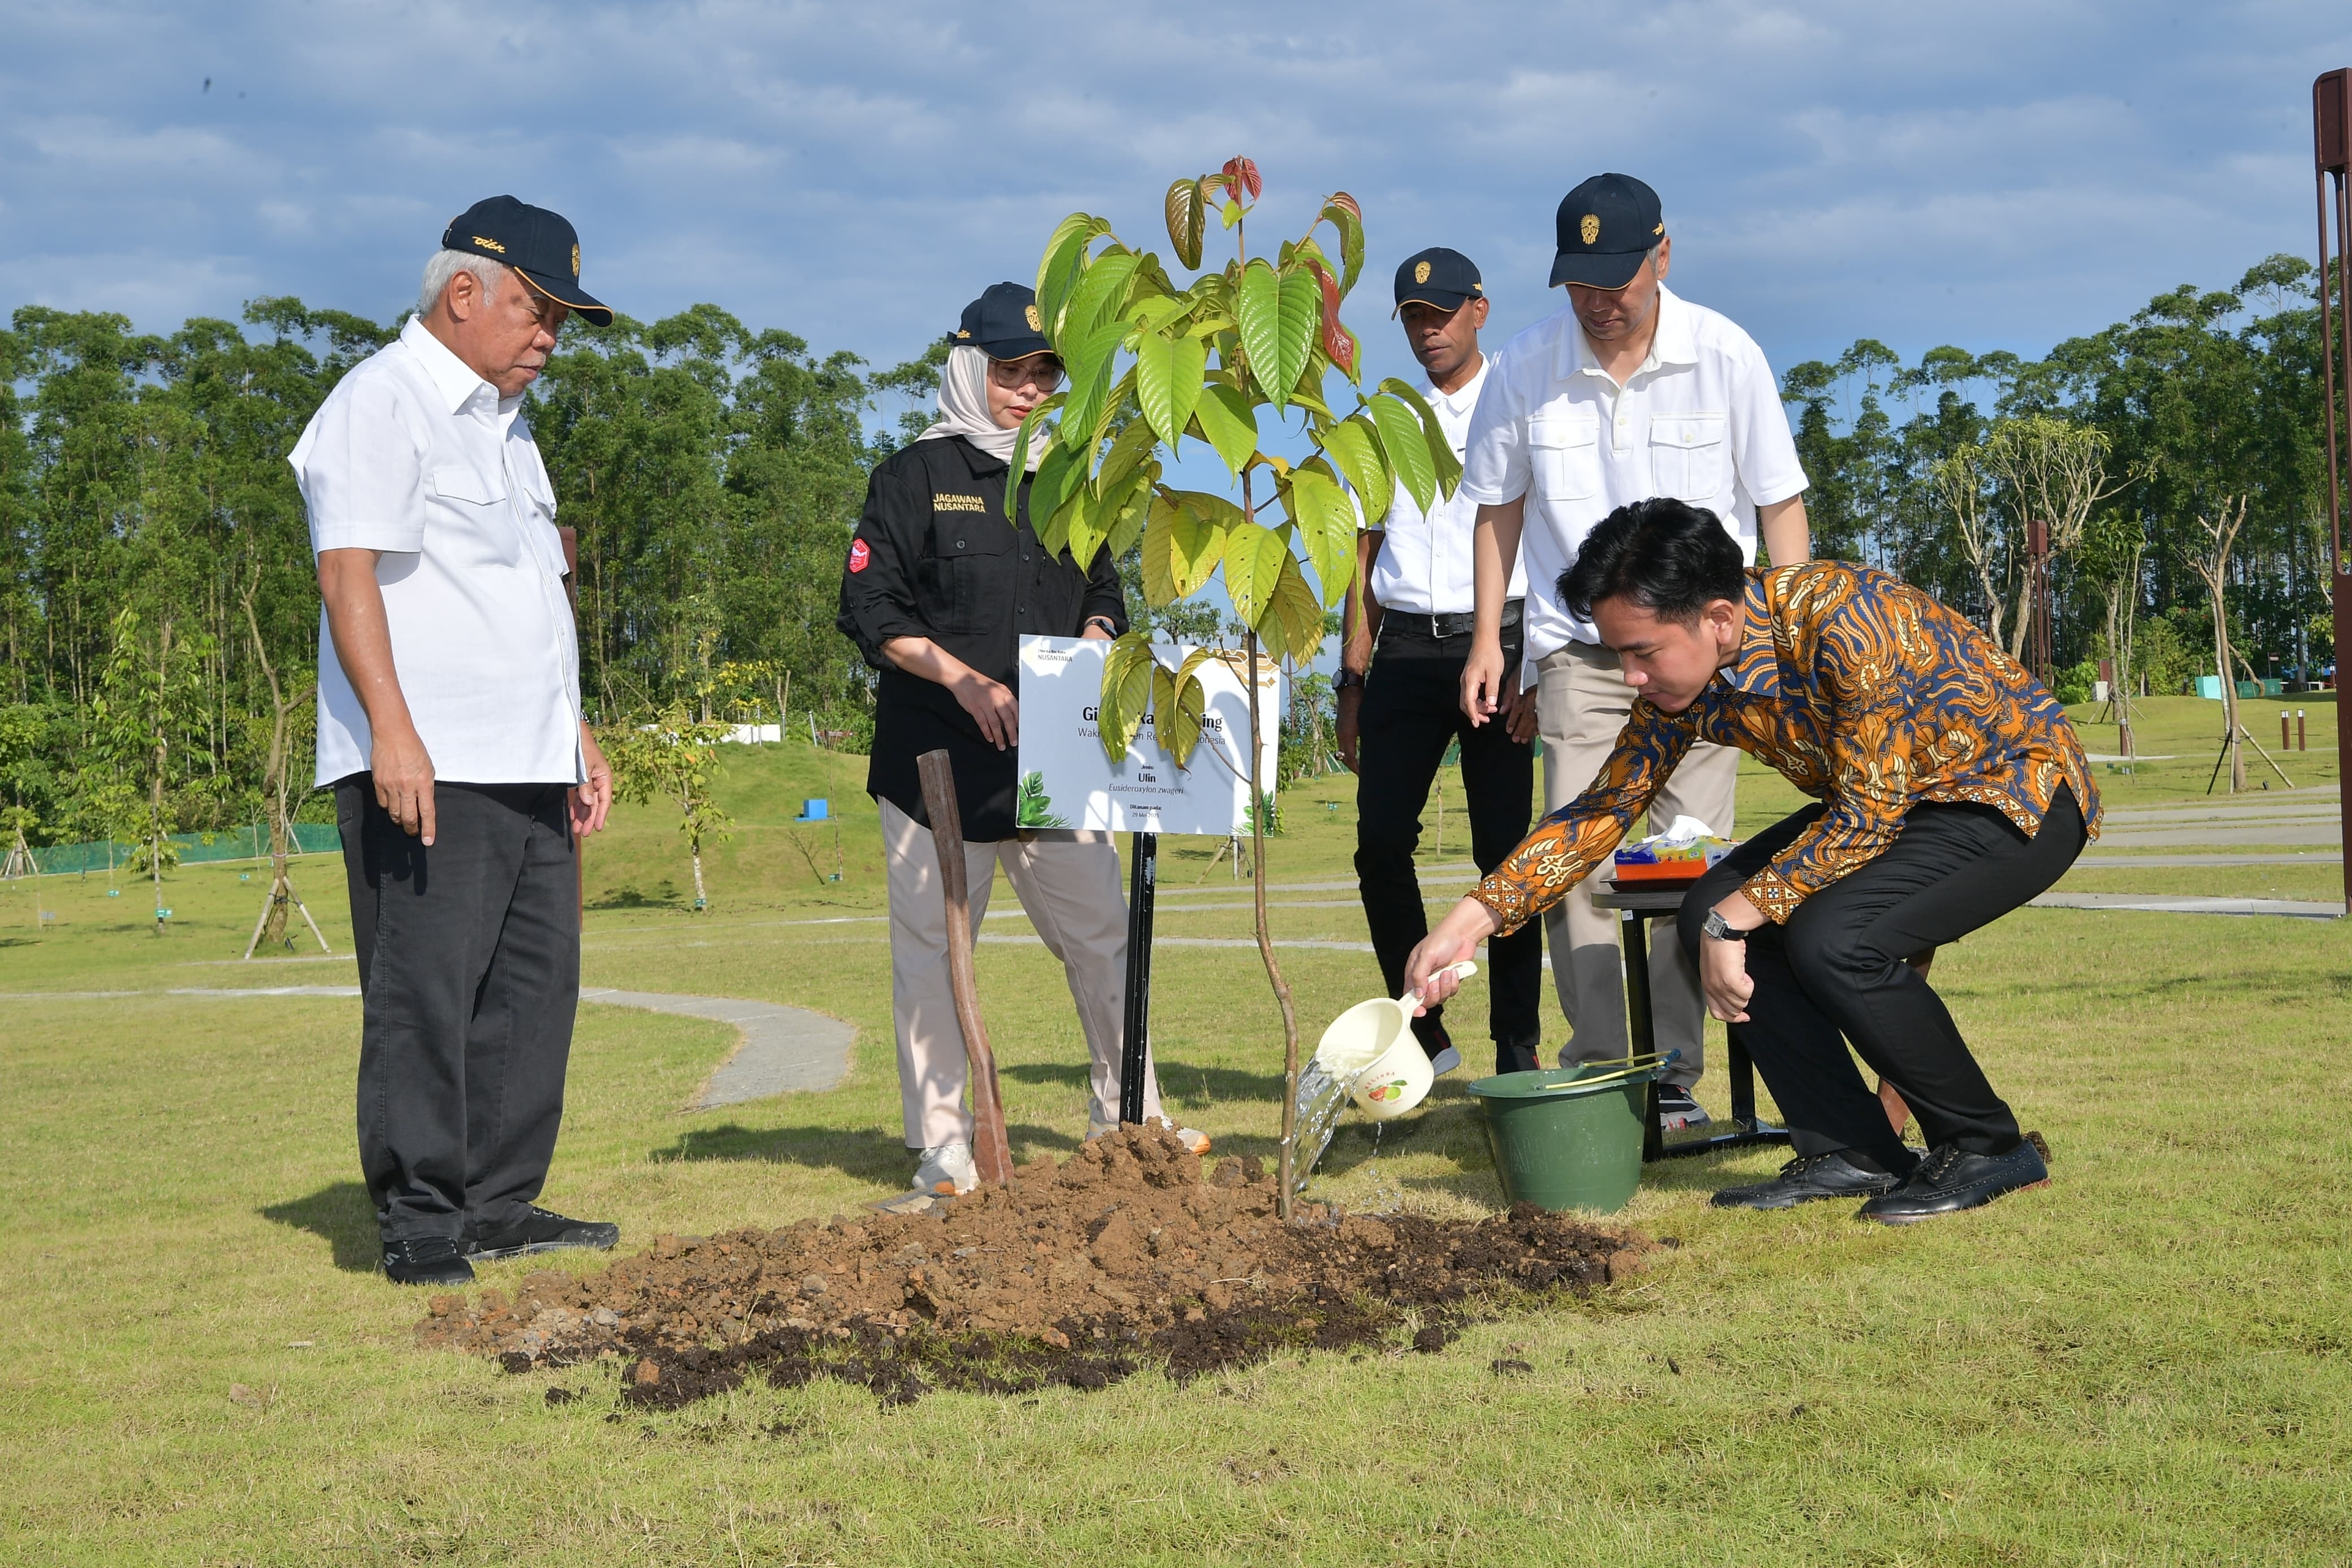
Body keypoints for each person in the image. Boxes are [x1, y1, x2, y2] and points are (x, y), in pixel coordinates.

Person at [1408, 499, 2099, 1222]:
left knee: (1833, 938)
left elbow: (1867, 817)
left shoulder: (1846, 619)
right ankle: (1852, 1149)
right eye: (1619, 655)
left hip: (2014, 794)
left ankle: (1988, 1144)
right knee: (1713, 904)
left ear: (1718, 617)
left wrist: (1731, 926)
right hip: (1896, 804)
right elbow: (1602, 810)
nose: (1631, 676)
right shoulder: (1687, 689)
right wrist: (1470, 919)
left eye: (1643, 651)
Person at [293, 196, 619, 1287]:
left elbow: (532, 594)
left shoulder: (510, 434)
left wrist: (574, 732)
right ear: (464, 293)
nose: (548, 339)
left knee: (531, 994)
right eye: (537, 310)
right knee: (425, 993)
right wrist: (392, 732)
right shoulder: (381, 402)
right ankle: (422, 1217)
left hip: (528, 759)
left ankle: (498, 1203)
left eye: (561, 321)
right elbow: (349, 575)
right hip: (429, 761)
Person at [1454, 172, 1814, 1133]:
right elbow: (1499, 512)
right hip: (1580, 659)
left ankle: (1674, 1076)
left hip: (1705, 659)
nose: (1598, 301)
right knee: (1578, 863)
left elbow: (1779, 503)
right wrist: (1493, 639)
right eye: (1579, 282)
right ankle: (1605, 1071)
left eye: (1616, 278)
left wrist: (1785, 634)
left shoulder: (1726, 355)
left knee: (1687, 862)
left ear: (1662, 254)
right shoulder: (1524, 370)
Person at [837, 282, 1208, 1201]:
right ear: (971, 371)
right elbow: (868, 608)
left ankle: (1132, 1121)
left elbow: (1106, 591)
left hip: (1057, 767)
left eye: (1044, 372)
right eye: (1011, 371)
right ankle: (944, 1151)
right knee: (930, 960)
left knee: (1104, 941)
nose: (1030, 390)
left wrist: (1093, 638)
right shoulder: (911, 478)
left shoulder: (1070, 480)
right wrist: (961, 679)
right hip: (935, 770)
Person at [1335, 248, 1541, 1078]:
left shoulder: (1518, 407)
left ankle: (1516, 1046)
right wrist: (1351, 681)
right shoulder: (1387, 424)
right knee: (1380, 844)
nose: (1429, 330)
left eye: (1443, 313)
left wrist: (1538, 666)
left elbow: (1553, 538)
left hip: (1507, 643)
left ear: (1479, 311)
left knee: (1508, 856)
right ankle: (1423, 1027)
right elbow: (1362, 555)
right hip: (1409, 650)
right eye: (1415, 318)